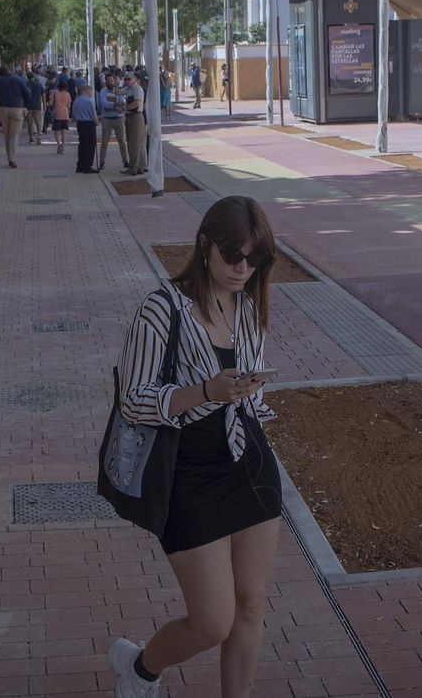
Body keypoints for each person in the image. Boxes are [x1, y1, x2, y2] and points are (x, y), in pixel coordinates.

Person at [107, 196, 280, 698]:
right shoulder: (161, 309)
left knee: (250, 606)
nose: (243, 269)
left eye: (255, 258)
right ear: (205, 245)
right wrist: (205, 391)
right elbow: (133, 399)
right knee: (212, 623)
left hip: (249, 464)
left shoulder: (248, 307)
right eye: (233, 255)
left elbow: (247, 393)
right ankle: (140, 668)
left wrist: (248, 391)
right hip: (187, 475)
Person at [0, 66, 28, 168]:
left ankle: (9, 157)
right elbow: (27, 94)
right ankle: (12, 159)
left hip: (3, 108)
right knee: (14, 135)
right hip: (17, 108)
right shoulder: (19, 80)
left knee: (7, 134)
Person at [98, 73, 130, 173]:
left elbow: (122, 103)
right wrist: (115, 104)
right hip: (107, 119)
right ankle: (102, 162)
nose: (110, 82)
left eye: (111, 81)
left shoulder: (119, 91)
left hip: (118, 119)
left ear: (115, 81)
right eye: (108, 81)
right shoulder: (103, 91)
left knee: (122, 141)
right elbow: (104, 104)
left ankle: (125, 160)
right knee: (104, 142)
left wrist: (113, 104)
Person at [124, 72, 149, 176]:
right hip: (131, 117)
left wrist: (124, 108)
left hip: (136, 116)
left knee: (134, 144)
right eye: (125, 79)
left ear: (135, 79)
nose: (126, 81)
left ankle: (133, 168)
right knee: (137, 144)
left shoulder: (138, 89)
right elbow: (118, 92)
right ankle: (139, 167)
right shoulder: (128, 89)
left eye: (129, 79)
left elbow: (136, 104)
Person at [72, 83, 98, 174]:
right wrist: (96, 123)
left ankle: (80, 165)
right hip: (88, 124)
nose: (91, 93)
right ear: (86, 91)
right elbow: (93, 116)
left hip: (80, 124)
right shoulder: (88, 101)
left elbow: (74, 114)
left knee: (82, 144)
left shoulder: (76, 101)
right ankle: (87, 166)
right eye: (90, 91)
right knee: (89, 145)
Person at [50, 77, 73, 155]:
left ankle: (58, 143)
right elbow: (68, 106)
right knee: (64, 132)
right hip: (65, 115)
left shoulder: (55, 93)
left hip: (57, 114)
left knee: (56, 131)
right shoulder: (68, 94)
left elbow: (51, 103)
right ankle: (63, 147)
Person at [23, 70, 45, 147]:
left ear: (27, 77)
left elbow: (22, 96)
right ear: (33, 77)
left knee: (29, 123)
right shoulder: (39, 85)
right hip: (37, 106)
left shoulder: (25, 85)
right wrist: (44, 105)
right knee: (38, 122)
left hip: (28, 106)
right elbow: (43, 95)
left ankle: (31, 138)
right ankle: (38, 135)